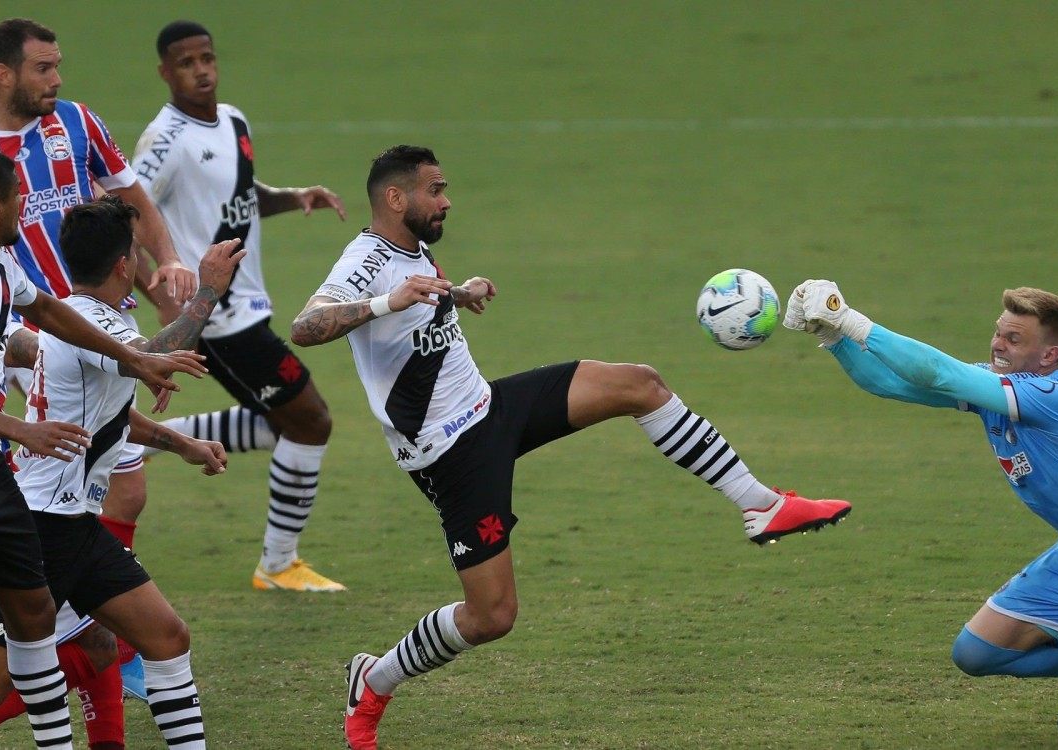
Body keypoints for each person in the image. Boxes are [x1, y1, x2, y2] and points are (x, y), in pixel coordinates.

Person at [290, 145, 852, 750]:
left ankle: (759, 502)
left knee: (640, 384)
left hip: (489, 408)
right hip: (450, 454)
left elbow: (409, 313)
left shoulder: (413, 248)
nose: (447, 199)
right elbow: (306, 326)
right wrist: (386, 302)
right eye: (435, 189)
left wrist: (456, 294)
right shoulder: (365, 259)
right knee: (491, 617)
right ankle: (373, 679)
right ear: (396, 199)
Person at [786, 279, 1058, 750]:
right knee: (976, 652)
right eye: (998, 332)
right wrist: (833, 339)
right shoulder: (996, 390)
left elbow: (941, 373)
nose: (998, 344)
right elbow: (891, 382)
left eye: (1014, 339)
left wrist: (853, 321)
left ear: (1048, 355)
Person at [0, 195, 241, 750]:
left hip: (77, 528)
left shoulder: (85, 322)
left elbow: (111, 412)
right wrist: (208, 288)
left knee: (166, 637)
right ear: (124, 265)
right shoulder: (89, 324)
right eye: (137, 254)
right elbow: (156, 355)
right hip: (38, 527)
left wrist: (180, 443)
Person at [129, 20, 347, 593]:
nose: (201, 69)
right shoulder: (165, 140)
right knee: (311, 420)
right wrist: (158, 295)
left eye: (207, 57)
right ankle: (277, 565)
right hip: (216, 318)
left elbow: (240, 195)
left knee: (287, 422)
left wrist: (295, 196)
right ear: (165, 72)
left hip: (247, 303)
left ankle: (157, 434)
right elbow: (121, 219)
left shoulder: (234, 120)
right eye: (186, 62)